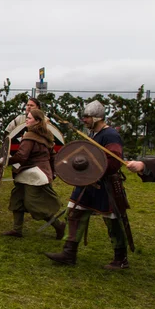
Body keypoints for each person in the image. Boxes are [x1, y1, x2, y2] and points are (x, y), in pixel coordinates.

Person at [45, 100, 130, 270]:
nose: (83, 120)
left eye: (87, 117)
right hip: (87, 184)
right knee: (74, 213)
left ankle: (120, 259)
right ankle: (69, 253)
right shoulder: (91, 135)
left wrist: (93, 171)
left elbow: (114, 162)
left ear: (97, 118)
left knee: (112, 221)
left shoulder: (110, 135)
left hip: (105, 186)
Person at [1, 109, 65, 239]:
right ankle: (17, 230)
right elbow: (53, 156)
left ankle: (59, 225)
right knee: (17, 199)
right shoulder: (46, 136)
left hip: (33, 175)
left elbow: (21, 156)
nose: (26, 120)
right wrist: (52, 172)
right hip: (35, 173)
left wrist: (6, 160)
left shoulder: (30, 136)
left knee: (34, 205)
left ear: (37, 121)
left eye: (29, 118)